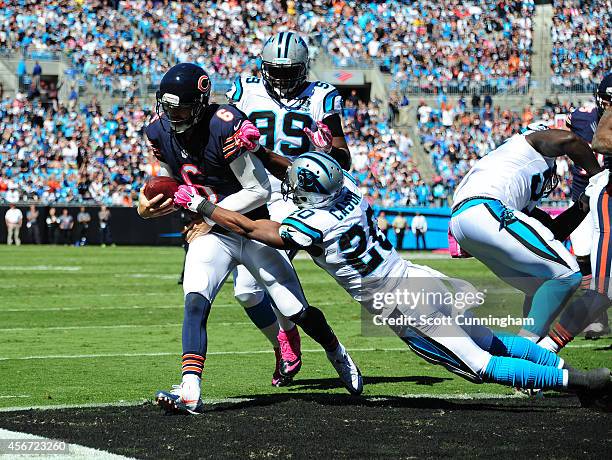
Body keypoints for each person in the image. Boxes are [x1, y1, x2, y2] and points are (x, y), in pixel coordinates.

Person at [174, 151, 612, 406]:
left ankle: (578, 382)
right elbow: (312, 174)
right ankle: (565, 367)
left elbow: (251, 229)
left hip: (400, 305)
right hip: (421, 277)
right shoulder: (351, 193)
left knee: (479, 366)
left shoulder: (312, 223)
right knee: (490, 341)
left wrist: (201, 206)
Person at [140, 63, 361, 415]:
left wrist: (207, 215)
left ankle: (337, 352)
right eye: (168, 107)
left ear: (199, 103)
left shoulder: (224, 123)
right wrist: (147, 205)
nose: (174, 115)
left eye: (181, 107)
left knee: (295, 310)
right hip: (213, 233)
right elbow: (168, 183)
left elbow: (258, 190)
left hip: (253, 227)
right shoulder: (158, 131)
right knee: (195, 301)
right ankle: (190, 388)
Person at [226, 31, 352, 386]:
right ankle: (286, 336)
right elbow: (221, 133)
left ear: (304, 68)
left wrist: (328, 150)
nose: (281, 78)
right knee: (246, 292)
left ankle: (291, 337)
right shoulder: (243, 90)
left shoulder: (322, 96)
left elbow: (344, 159)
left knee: (268, 275)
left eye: (289, 70)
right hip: (251, 191)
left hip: (295, 197)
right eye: (275, 70)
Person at [450, 124, 602, 345]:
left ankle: (528, 345)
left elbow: (553, 232)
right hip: (486, 208)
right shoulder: (529, 143)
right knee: (568, 274)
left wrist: (585, 204)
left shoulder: (510, 169)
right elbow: (570, 140)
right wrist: (599, 176)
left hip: (467, 220)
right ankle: (526, 351)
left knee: (541, 283)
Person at [562, 73, 612, 340]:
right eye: (606, 99)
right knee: (582, 256)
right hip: (584, 198)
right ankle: (597, 317)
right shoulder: (580, 118)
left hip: (608, 196)